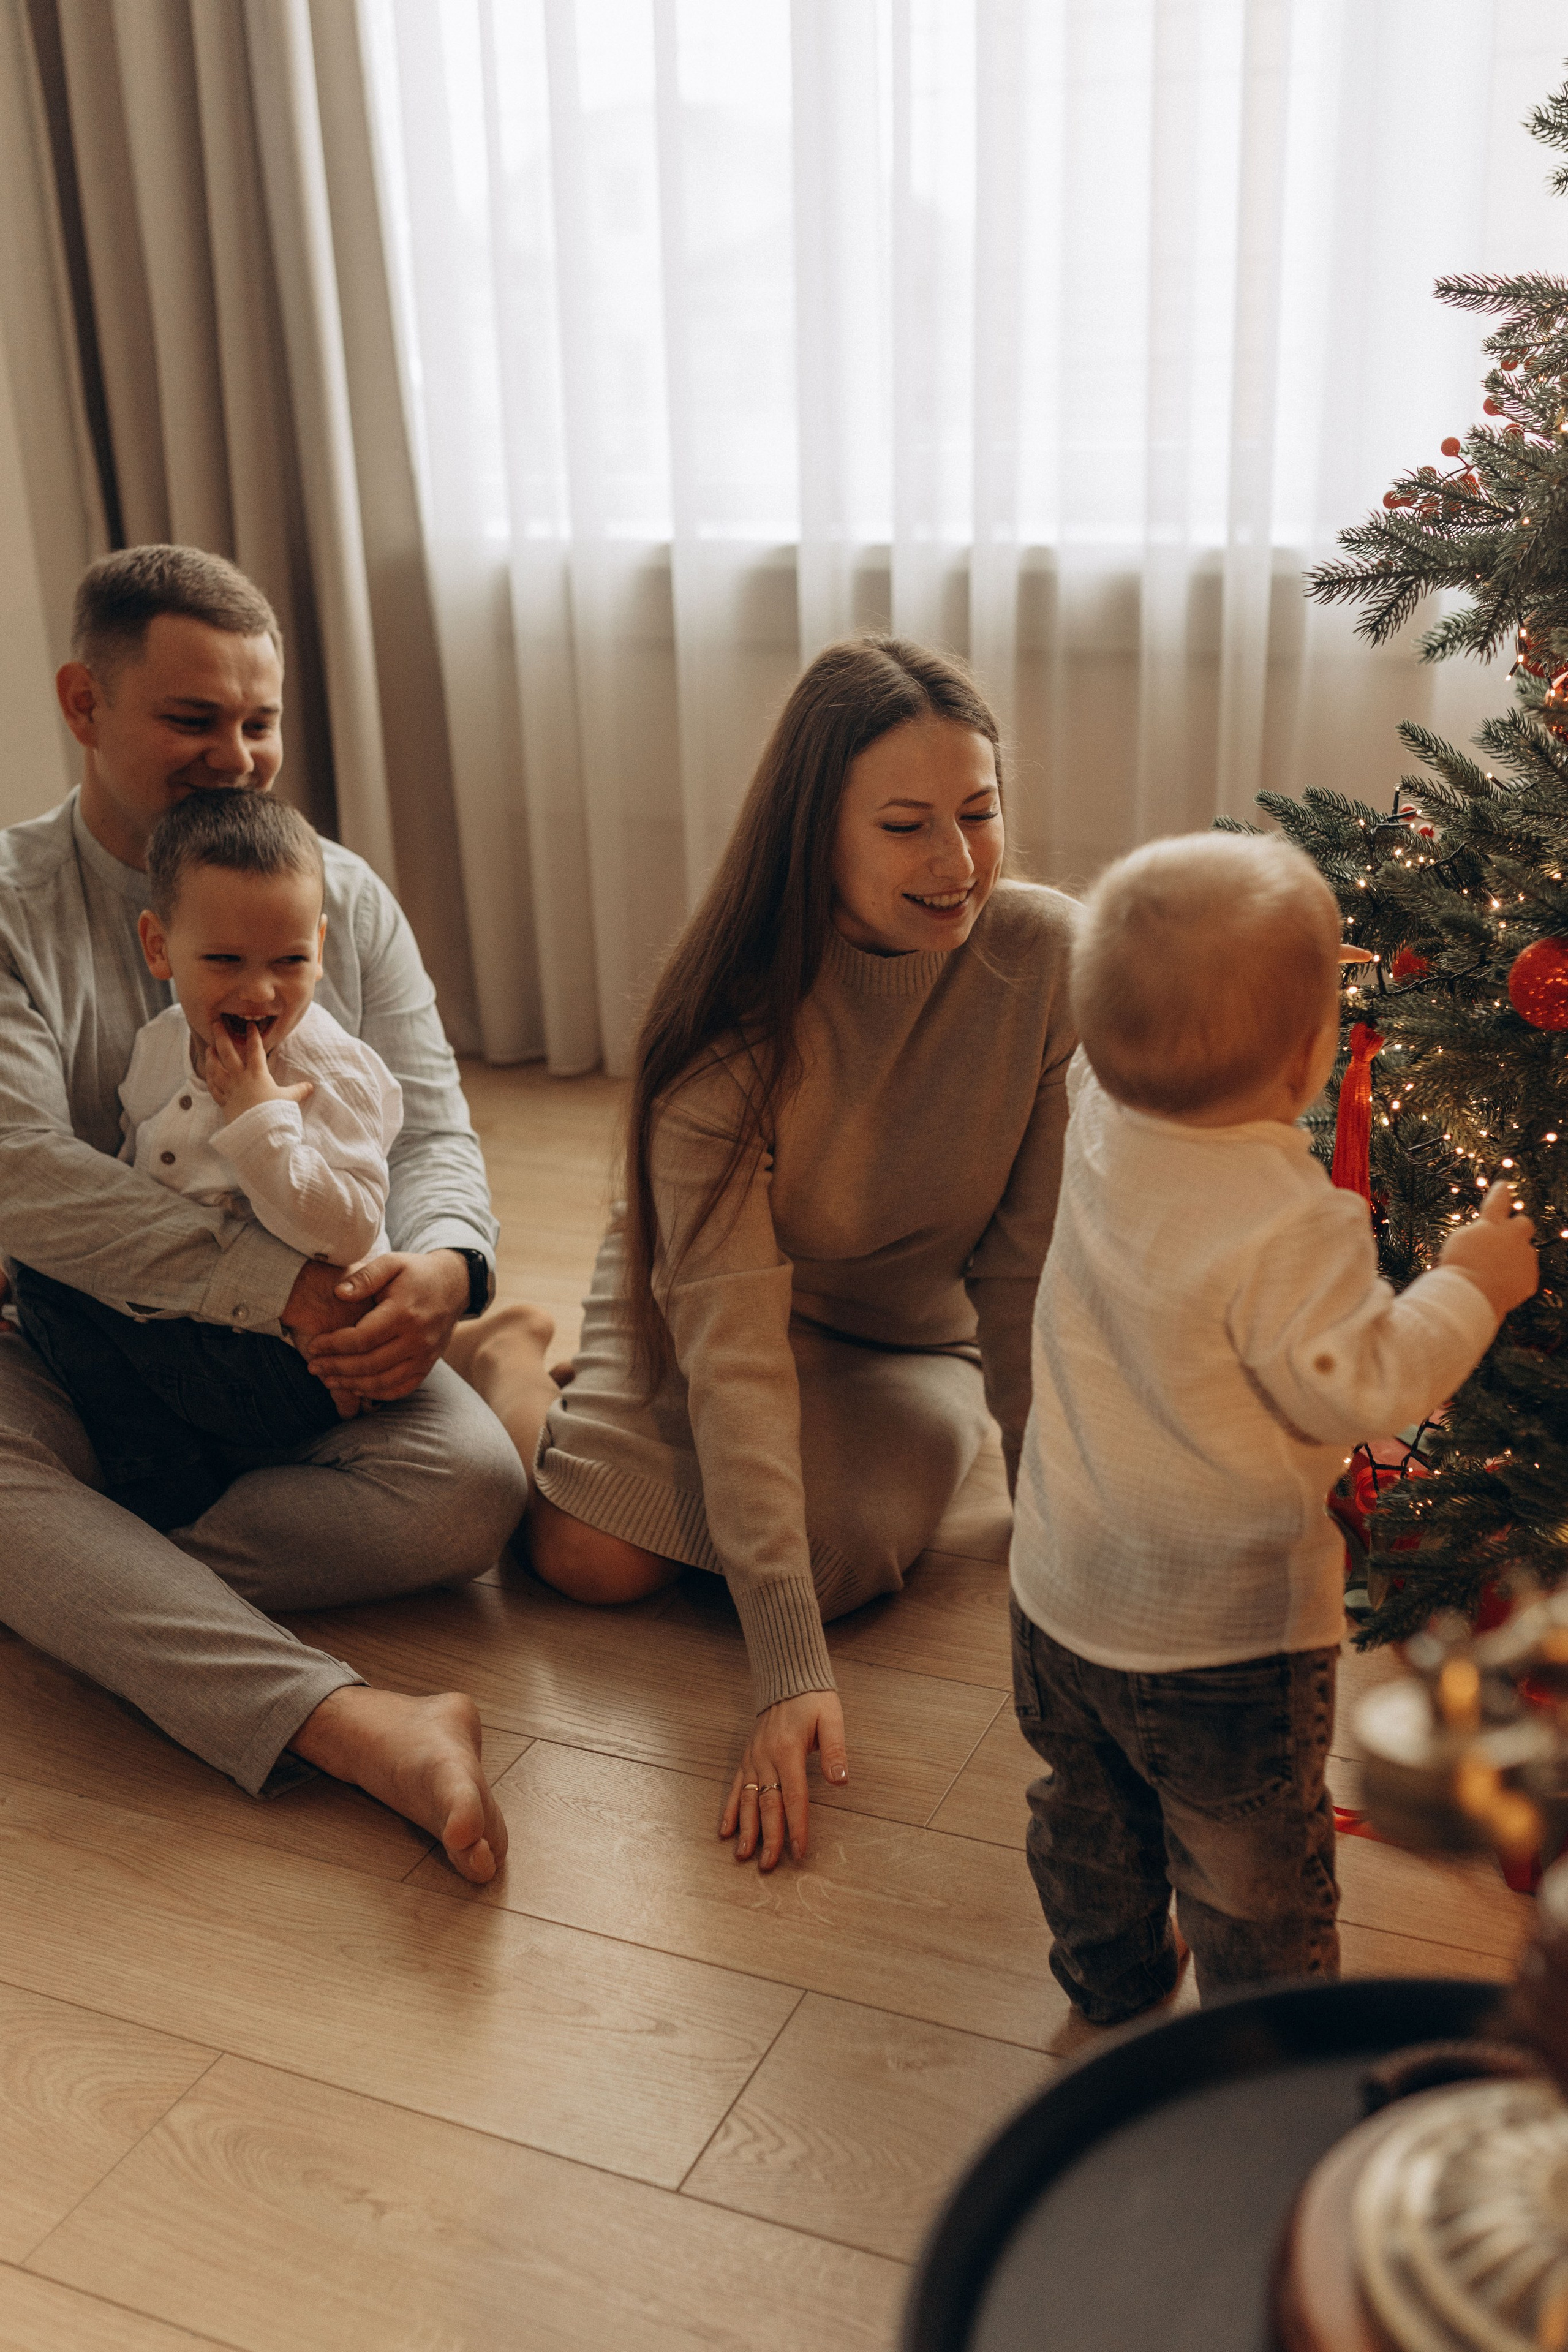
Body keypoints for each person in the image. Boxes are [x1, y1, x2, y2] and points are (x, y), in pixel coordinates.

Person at [450, 636, 1079, 1873]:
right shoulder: (726, 1031)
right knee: (587, 1557)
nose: (957, 862)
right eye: (904, 826)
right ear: (814, 837)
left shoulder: (1048, 958)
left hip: (907, 1333)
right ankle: (510, 1355)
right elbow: (735, 1352)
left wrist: (1050, 1519)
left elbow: (1021, 1275)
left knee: (837, 1561)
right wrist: (786, 1673)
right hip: (710, 1294)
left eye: (978, 810)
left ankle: (661, 1454)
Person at [0, 545, 529, 1882]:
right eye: (195, 719)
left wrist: (445, 1269)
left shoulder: (338, 894)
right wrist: (270, 1284)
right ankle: (358, 1727)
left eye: (260, 722)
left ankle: (90, 1584)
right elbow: (20, 1173)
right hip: (62, 1343)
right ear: (82, 703)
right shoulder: (11, 908)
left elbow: (432, 1122)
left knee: (471, 1491)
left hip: (300, 1346)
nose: (236, 758)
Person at [1008, 830, 1539, 2024]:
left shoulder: (1093, 1104)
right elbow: (1363, 1386)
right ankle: (1263, 2042)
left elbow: (1156, 999)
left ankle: (1110, 1979)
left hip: (1057, 1587)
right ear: (1306, 1056)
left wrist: (1252, 978)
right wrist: (1471, 1282)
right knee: (1253, 1878)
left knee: (1085, 1816)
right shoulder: (1290, 1224)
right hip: (1224, 1641)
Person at [12, 787, 403, 1534]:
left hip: (295, 1365)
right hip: (193, 1321)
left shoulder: (332, 1070)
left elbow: (352, 1230)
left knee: (43, 1277)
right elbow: (135, 1172)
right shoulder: (162, 1043)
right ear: (158, 946)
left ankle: (161, 1480)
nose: (259, 991)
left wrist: (261, 1121)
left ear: (320, 947)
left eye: (290, 960)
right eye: (225, 960)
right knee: (42, 1263)